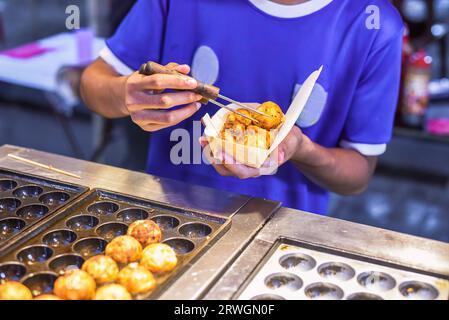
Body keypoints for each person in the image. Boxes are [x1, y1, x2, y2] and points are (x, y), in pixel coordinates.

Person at [81, 0, 404, 215]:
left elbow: (358, 173)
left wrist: (300, 148)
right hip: (169, 217)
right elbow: (93, 83)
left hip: (286, 232)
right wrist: (126, 93)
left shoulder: (373, 23)